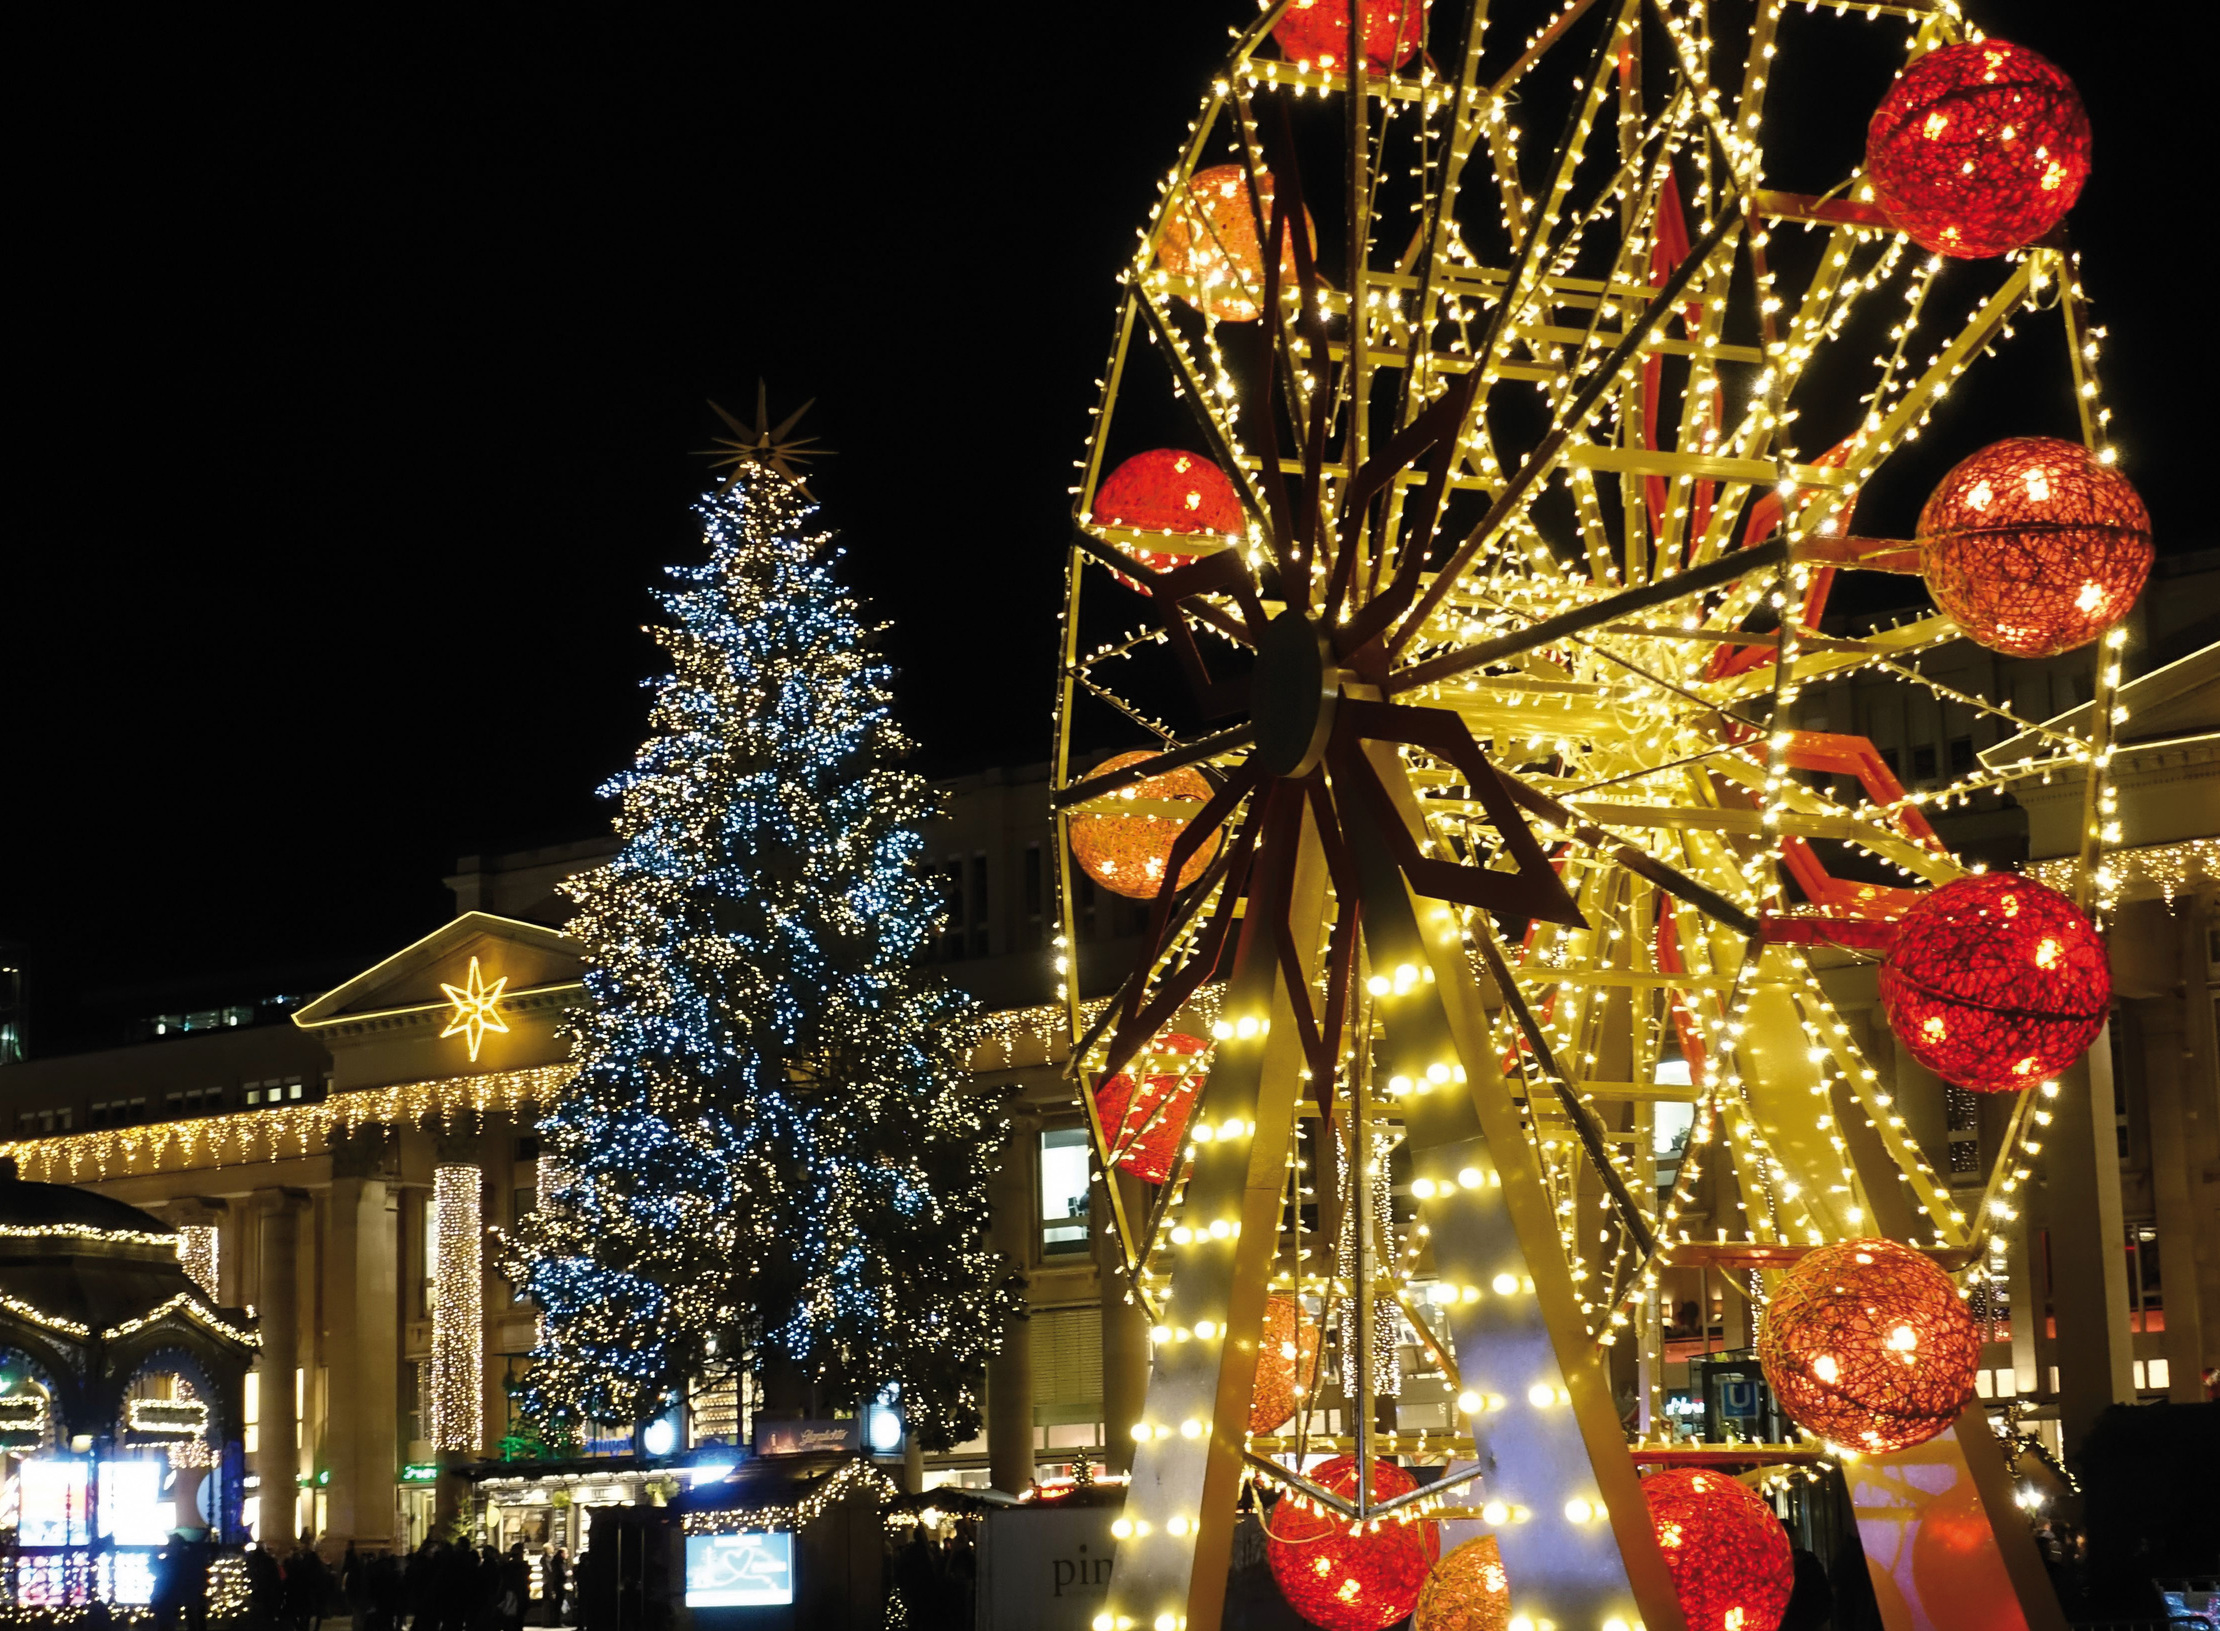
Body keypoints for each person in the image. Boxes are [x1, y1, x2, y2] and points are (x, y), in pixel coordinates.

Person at [540, 1547, 567, 1627]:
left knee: (550, 1603)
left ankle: (548, 1621)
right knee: (555, 1603)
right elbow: (552, 1572)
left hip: (548, 1582)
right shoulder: (550, 1560)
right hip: (551, 1583)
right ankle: (553, 1621)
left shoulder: (550, 1560)